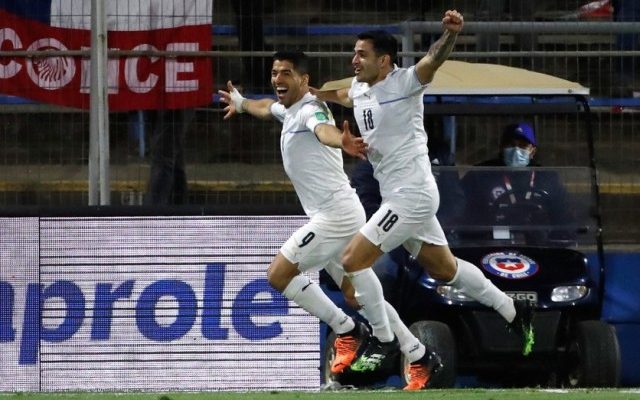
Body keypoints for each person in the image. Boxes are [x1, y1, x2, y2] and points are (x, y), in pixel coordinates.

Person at [310, 10, 535, 381]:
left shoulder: (406, 82)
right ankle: (512, 310)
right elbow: (347, 97)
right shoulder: (359, 87)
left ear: (384, 60)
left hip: (410, 195)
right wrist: (318, 95)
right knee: (444, 269)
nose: (354, 60)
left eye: (361, 54)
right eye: (354, 53)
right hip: (400, 197)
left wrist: (450, 34)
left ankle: (383, 340)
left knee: (352, 260)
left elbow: (433, 59)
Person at [218, 51, 439, 390]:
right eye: (275, 72)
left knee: (278, 274)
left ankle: (347, 329)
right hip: (343, 211)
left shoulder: (310, 109)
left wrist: (343, 140)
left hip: (333, 217)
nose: (278, 79)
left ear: (304, 81)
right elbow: (267, 108)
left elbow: (323, 130)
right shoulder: (288, 109)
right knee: (357, 295)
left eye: (286, 73)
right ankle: (419, 354)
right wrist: (242, 102)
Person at [460, 122, 575, 242]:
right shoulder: (480, 175)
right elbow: (463, 215)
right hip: (491, 243)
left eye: (523, 145)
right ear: (501, 148)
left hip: (538, 244)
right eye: (510, 145)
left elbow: (564, 217)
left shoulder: (547, 177)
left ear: (533, 151)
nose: (516, 150)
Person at [145, 108, 196, 205]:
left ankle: (153, 214)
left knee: (164, 157)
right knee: (173, 159)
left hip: (176, 101)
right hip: (160, 100)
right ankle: (179, 212)